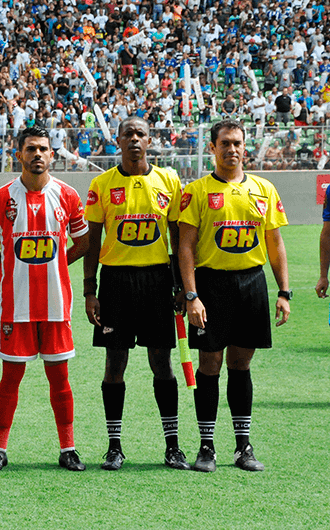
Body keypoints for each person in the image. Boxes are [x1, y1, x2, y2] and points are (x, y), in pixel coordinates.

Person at [179, 119, 290, 472]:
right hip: (211, 286)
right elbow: (185, 246)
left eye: (237, 143)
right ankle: (206, 446)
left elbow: (275, 244)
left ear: (245, 147)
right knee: (209, 365)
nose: (232, 149)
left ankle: (243, 447)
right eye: (225, 143)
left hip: (252, 284)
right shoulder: (196, 191)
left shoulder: (264, 189)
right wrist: (191, 295)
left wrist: (284, 292)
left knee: (241, 364)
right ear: (212, 148)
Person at [0, 126, 89, 471]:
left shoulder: (68, 195)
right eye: (31, 149)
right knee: (10, 378)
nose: (37, 154)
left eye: (43, 149)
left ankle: (68, 448)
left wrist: (59, 264)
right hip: (15, 304)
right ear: (19, 154)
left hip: (56, 304)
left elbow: (83, 242)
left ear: (51, 155)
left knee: (60, 378)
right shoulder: (1, 198)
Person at [83, 116, 190, 471]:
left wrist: (181, 286)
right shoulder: (102, 183)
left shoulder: (169, 180)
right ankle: (114, 446)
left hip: (158, 282)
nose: (134, 139)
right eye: (127, 134)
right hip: (115, 282)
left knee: (162, 363)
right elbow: (92, 241)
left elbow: (177, 237)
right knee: (115, 364)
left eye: (140, 134)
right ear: (118, 140)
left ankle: (172, 446)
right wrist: (89, 290)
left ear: (150, 140)